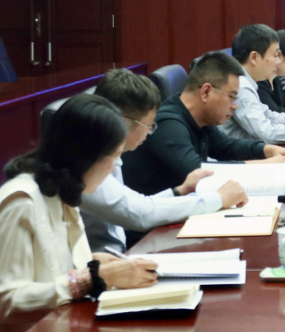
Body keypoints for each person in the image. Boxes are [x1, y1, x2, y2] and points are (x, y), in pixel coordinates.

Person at [0, 95, 159, 319]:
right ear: (86, 156)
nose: (113, 169)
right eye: (114, 157)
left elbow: (48, 267)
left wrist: (92, 262)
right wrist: (90, 279)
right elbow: (6, 300)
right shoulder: (21, 202)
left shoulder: (65, 189)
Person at [80, 70, 247, 254]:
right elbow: (141, 214)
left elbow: (136, 204)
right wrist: (218, 199)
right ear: (122, 122)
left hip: (119, 253)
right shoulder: (88, 162)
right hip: (104, 261)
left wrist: (179, 191)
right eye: (148, 125)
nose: (150, 132)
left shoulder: (108, 152)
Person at [123, 52, 285, 197]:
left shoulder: (199, 117)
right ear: (206, 92)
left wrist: (268, 150)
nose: (234, 105)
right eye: (231, 97)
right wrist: (263, 166)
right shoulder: (168, 124)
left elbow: (226, 146)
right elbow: (198, 171)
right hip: (153, 228)